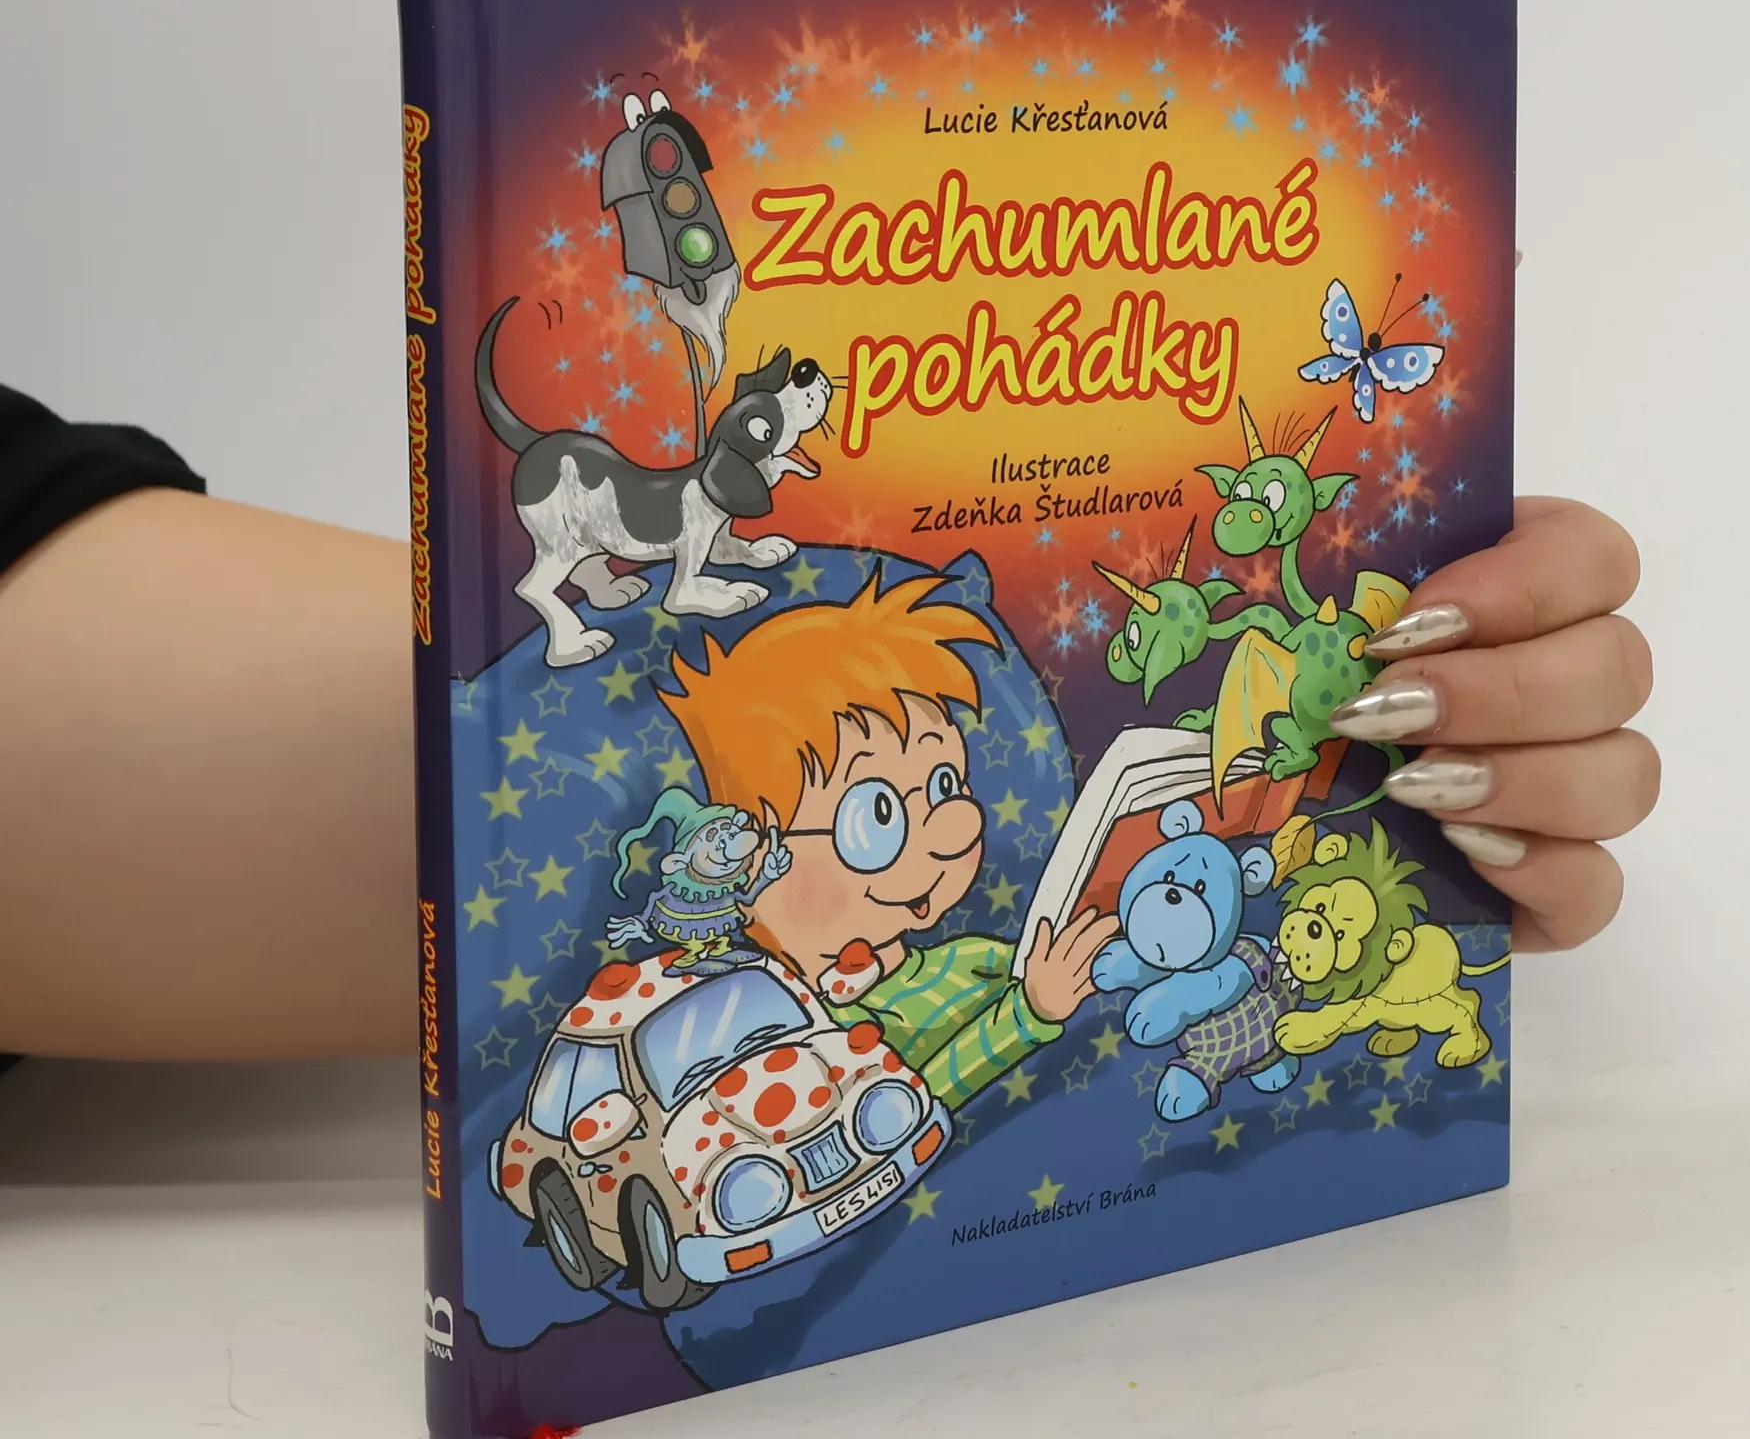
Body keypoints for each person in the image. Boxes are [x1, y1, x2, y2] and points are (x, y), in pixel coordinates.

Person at [0, 390, 1657, 1063]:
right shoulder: (711, 989)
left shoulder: (897, 941)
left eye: (937, 794)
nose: (945, 834)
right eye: (885, 811)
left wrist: (1364, 712)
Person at [667, 569, 1119, 1109]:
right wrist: (1029, 1014)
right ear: (757, 858)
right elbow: (908, 1100)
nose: (956, 825)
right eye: (876, 816)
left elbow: (1026, 963)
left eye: (946, 784)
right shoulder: (804, 1038)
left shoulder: (964, 960)